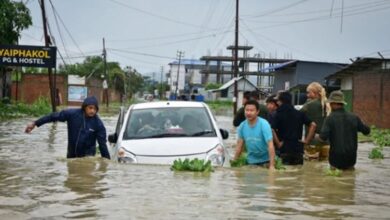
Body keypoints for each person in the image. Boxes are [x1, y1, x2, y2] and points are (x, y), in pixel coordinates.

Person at [25, 96, 110, 159]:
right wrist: (35, 123)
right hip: (71, 157)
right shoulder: (72, 114)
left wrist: (107, 164)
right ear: (84, 107)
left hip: (87, 159)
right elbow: (53, 116)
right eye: (90, 108)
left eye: (95, 109)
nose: (92, 111)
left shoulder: (98, 124)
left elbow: (102, 145)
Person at [319, 90, 370, 170]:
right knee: (349, 180)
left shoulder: (330, 119)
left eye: (330, 103)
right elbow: (367, 131)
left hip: (335, 159)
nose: (330, 105)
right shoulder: (354, 117)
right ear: (342, 103)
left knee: (334, 180)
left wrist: (315, 136)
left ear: (333, 103)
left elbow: (322, 137)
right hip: (351, 158)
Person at [272, 91, 316, 165]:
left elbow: (272, 129)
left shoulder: (277, 114)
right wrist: (307, 141)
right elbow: (313, 125)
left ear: (280, 101)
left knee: (283, 174)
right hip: (298, 148)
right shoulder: (299, 113)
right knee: (297, 173)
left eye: (277, 100)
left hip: (284, 148)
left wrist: (278, 143)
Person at [233, 99, 275, 170]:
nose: (248, 113)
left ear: (257, 112)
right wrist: (234, 162)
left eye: (252, 110)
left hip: (266, 161)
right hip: (251, 161)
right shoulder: (242, 126)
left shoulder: (264, 124)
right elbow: (239, 147)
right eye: (247, 110)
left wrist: (272, 165)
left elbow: (270, 145)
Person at [300, 82, 331, 160]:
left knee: (310, 169)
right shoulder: (328, 104)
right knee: (323, 167)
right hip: (327, 142)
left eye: (308, 93)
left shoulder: (309, 104)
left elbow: (297, 116)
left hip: (312, 142)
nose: (307, 95)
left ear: (315, 93)